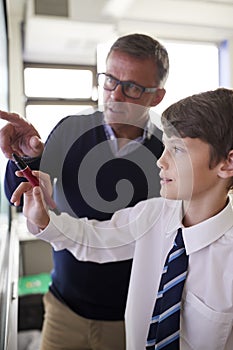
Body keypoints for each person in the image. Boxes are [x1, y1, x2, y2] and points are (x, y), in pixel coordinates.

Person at [11, 87, 233, 350]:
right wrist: (44, 220)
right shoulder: (152, 215)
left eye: (178, 149)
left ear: (227, 164)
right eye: (165, 147)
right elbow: (94, 239)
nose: (161, 161)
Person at [0, 33, 169, 350]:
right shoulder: (71, 131)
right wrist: (28, 156)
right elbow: (20, 197)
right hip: (64, 310)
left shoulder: (169, 155)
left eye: (131, 87)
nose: (114, 95)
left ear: (157, 96)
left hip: (132, 318)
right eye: (109, 80)